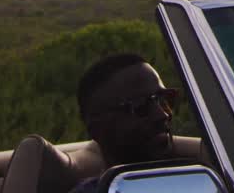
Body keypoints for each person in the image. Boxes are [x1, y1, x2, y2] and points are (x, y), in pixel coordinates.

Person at [66, 53, 182, 193]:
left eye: (164, 98)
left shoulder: (191, 178)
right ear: (97, 129)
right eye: (139, 105)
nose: (162, 115)